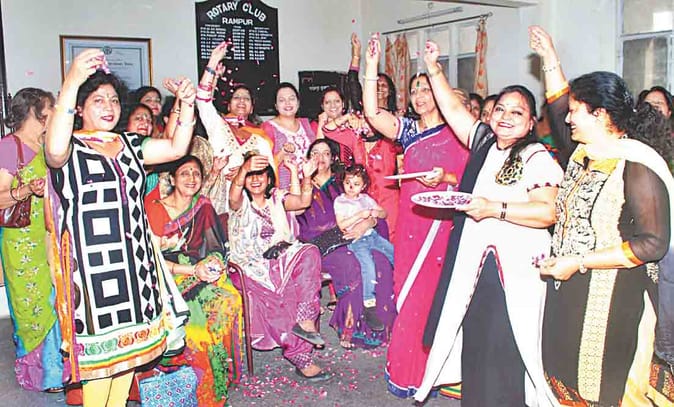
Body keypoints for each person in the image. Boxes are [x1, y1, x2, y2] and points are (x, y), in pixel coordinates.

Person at [407, 38, 564, 406]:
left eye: (517, 112)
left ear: (530, 123)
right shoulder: (484, 144)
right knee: (476, 342)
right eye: (500, 109)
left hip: (514, 272)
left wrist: (494, 208)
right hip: (476, 266)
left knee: (505, 345)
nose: (505, 117)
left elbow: (547, 212)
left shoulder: (536, 156)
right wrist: (434, 68)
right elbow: (452, 109)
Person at [530, 25, 673, 406]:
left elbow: (653, 244)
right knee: (566, 374)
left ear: (601, 114)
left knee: (607, 388)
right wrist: (549, 58)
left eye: (577, 111)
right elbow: (557, 105)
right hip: (571, 285)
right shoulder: (584, 152)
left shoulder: (637, 164)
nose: (568, 119)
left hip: (616, 297)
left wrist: (579, 261)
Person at [45, 48, 197, 406]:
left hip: (136, 267)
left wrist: (188, 104)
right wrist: (72, 81)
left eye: (113, 99)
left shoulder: (129, 144)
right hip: (92, 272)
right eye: (98, 100)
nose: (109, 106)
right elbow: (53, 150)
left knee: (128, 356)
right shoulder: (69, 146)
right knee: (100, 364)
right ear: (79, 108)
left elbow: (177, 147)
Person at [362, 35, 470, 398]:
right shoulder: (409, 131)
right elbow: (373, 114)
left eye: (426, 88)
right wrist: (371, 65)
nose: (420, 96)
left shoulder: (460, 132)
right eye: (414, 91)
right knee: (408, 297)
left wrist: (446, 177)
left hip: (445, 225)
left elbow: (471, 179)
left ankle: (436, 372)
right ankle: (405, 372)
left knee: (437, 299)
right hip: (412, 224)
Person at [145, 155, 243, 406]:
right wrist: (193, 271)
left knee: (229, 300)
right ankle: (198, 389)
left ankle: (217, 376)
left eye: (196, 173)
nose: (191, 178)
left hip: (197, 271)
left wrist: (213, 264)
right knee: (196, 324)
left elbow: (215, 247)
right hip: (165, 278)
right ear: (172, 179)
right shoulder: (155, 208)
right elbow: (151, 260)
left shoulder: (203, 206)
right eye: (185, 173)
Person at [227, 153, 332, 381]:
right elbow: (234, 192)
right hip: (249, 268)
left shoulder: (277, 197)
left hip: (279, 258)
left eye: (260, 175)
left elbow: (303, 202)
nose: (256, 180)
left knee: (309, 252)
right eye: (250, 175)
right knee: (278, 298)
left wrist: (306, 176)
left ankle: (305, 319)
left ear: (269, 178)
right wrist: (243, 169)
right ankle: (301, 358)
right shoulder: (239, 202)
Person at [296, 138, 396, 349]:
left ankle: (380, 325)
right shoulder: (302, 184)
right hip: (322, 244)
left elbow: (372, 210)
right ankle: (350, 328)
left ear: (333, 158)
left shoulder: (344, 183)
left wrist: (368, 222)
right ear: (308, 158)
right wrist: (305, 180)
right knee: (352, 266)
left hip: (356, 236)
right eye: (315, 153)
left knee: (381, 261)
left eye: (325, 153)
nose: (320, 157)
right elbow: (296, 210)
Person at [0, 88, 64, 392]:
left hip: (51, 237)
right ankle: (43, 373)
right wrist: (25, 191)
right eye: (51, 108)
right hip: (21, 242)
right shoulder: (9, 147)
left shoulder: (48, 147)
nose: (55, 114)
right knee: (34, 305)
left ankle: (60, 368)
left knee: (57, 299)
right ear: (36, 111)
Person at [196, 41, 274, 215]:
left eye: (246, 98)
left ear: (252, 108)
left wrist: (243, 171)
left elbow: (269, 175)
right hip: (215, 201)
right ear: (228, 104)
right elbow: (202, 99)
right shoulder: (217, 124)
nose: (241, 101)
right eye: (237, 97)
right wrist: (213, 62)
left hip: (248, 207)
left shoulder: (260, 138)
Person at [346, 33, 401, 240]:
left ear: (390, 92)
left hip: (389, 192)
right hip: (363, 191)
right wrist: (356, 55)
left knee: (391, 239)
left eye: (383, 85)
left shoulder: (397, 121)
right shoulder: (362, 115)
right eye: (375, 84)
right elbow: (352, 85)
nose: (379, 88)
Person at [333, 164, 394, 332]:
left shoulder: (366, 199)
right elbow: (342, 225)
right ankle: (369, 305)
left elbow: (384, 213)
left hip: (372, 235)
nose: (351, 187)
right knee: (368, 266)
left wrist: (376, 213)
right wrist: (359, 215)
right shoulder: (341, 201)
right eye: (348, 183)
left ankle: (401, 287)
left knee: (394, 253)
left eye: (356, 184)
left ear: (363, 185)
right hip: (356, 240)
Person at [261, 82, 316, 189]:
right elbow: (264, 166)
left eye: (291, 98)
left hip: (311, 186)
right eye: (282, 100)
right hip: (285, 189)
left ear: (298, 102)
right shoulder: (267, 128)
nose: (287, 103)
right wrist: (282, 153)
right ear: (276, 105)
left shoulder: (307, 124)